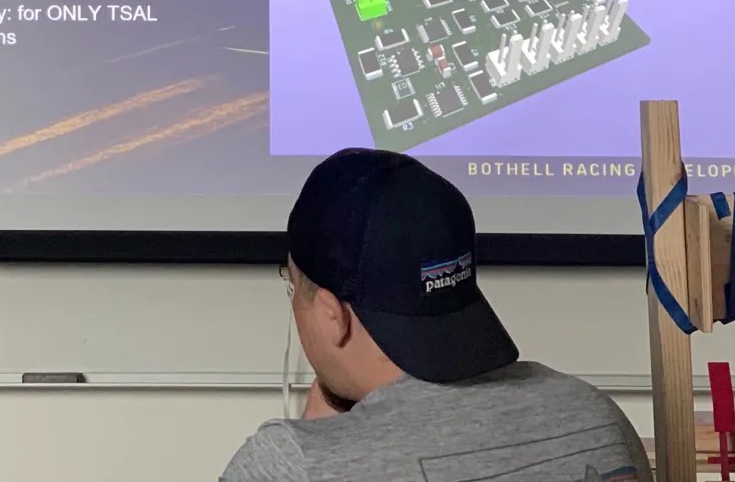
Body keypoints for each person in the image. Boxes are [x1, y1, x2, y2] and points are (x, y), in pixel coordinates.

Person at [222, 148, 653, 482]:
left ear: (335, 316)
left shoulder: (289, 464)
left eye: (293, 286)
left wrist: (312, 447)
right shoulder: (597, 421)